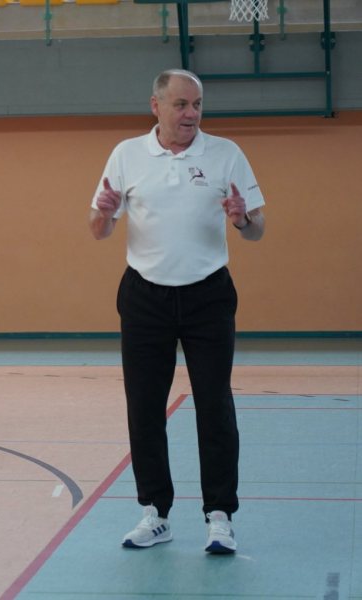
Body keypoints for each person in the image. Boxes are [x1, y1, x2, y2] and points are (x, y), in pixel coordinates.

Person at [89, 69, 266, 554]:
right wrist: (102, 212)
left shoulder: (225, 153)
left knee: (215, 405)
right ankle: (155, 513)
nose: (191, 114)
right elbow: (99, 229)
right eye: (181, 104)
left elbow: (257, 230)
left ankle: (220, 515)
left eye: (197, 104)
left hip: (209, 295)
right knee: (144, 408)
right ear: (157, 106)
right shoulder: (126, 154)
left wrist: (242, 219)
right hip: (144, 297)